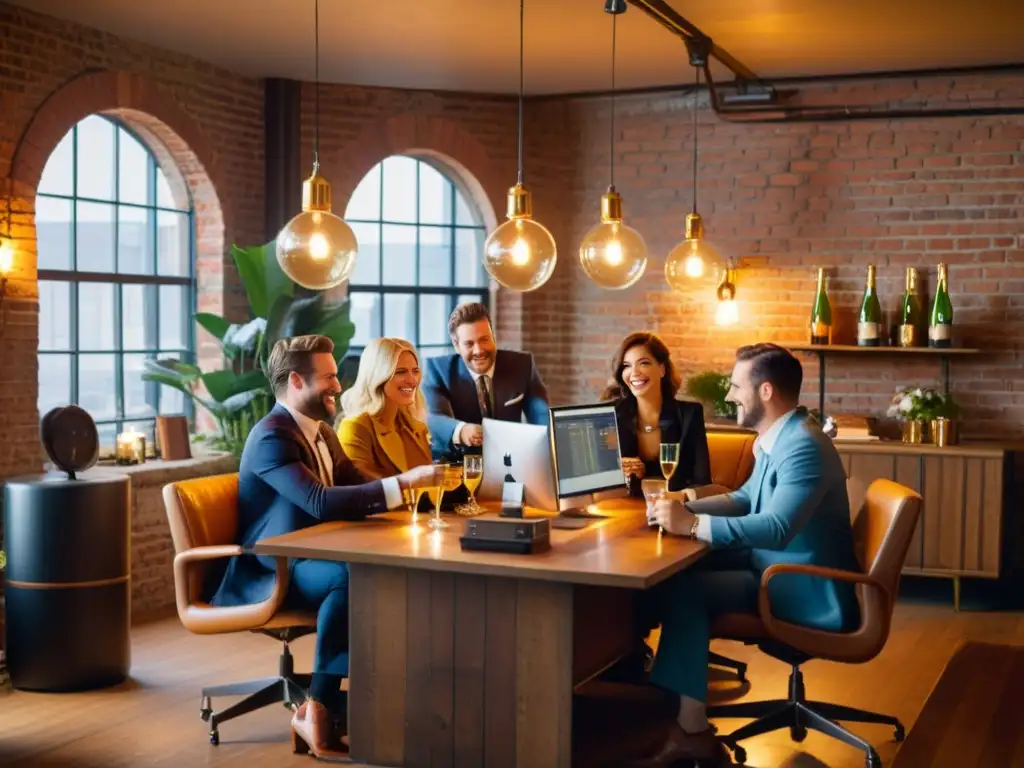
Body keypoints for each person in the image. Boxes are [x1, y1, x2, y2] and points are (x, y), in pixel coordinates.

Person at [209, 335, 442, 761]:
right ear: (297, 381)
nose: (339, 385)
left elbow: (358, 485)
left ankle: (376, 698)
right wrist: (402, 486)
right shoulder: (271, 438)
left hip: (316, 555)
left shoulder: (323, 433)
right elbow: (317, 499)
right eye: (330, 377)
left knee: (382, 571)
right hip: (276, 567)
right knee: (352, 576)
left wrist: (418, 500)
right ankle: (317, 705)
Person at [634, 343, 861, 767]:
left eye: (738, 386)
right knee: (673, 574)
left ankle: (691, 731)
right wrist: (686, 509)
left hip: (801, 584)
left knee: (687, 591)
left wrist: (694, 525)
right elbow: (745, 498)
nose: (731, 395)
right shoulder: (783, 435)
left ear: (767, 391)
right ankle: (660, 701)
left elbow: (776, 527)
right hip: (773, 565)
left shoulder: (802, 447)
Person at [422, 302, 549, 462]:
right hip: (458, 466)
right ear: (456, 346)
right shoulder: (438, 369)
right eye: (469, 343)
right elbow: (433, 416)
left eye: (484, 339)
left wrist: (548, 440)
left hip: (509, 462)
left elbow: (541, 413)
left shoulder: (522, 364)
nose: (479, 350)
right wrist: (460, 430)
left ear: (493, 336)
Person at [601, 331, 711, 495]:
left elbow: (702, 482)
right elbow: (597, 478)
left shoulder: (689, 415)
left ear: (662, 369)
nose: (634, 372)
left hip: (674, 509)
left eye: (643, 363)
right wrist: (618, 471)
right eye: (627, 366)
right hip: (623, 507)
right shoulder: (610, 415)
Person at [336, 337, 433, 481]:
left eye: (415, 371)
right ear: (379, 375)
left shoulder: (414, 426)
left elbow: (429, 486)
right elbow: (360, 490)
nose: (412, 380)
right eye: (401, 372)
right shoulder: (355, 427)